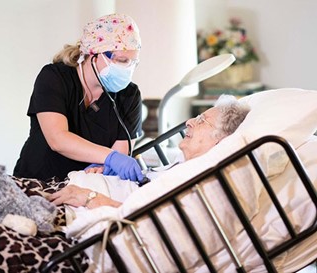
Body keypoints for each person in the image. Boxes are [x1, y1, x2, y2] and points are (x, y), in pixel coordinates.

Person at [48, 94, 251, 209]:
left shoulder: (202, 182)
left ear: (220, 140)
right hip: (66, 189)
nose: (188, 122)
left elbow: (147, 219)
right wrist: (110, 174)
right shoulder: (179, 166)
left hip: (73, 206)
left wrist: (91, 197)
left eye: (200, 121)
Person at [13, 14, 145, 183]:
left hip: (86, 188)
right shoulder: (54, 78)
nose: (127, 69)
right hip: (37, 182)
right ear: (94, 54)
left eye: (133, 62)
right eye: (122, 60)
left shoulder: (129, 95)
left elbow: (121, 152)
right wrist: (110, 157)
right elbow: (57, 139)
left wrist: (105, 167)